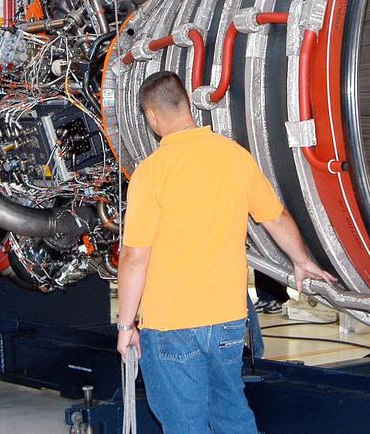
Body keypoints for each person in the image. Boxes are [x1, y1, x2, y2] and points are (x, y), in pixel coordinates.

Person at [116, 71, 336, 432]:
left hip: (172, 325)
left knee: (185, 423)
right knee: (230, 412)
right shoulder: (234, 156)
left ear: (151, 118)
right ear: (188, 105)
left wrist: (125, 325)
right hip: (229, 320)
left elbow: (134, 258)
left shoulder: (151, 173)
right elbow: (276, 217)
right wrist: (301, 261)